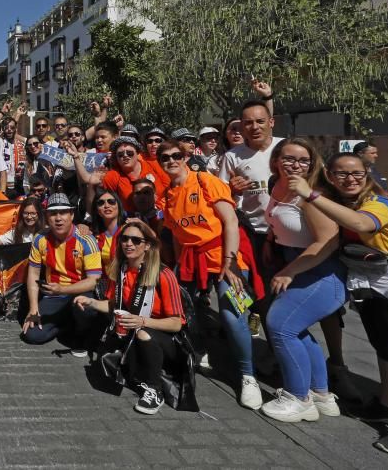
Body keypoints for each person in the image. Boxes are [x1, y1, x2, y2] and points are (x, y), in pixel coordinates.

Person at [288, 153, 388, 456]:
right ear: (330, 174)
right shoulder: (341, 201)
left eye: (356, 173)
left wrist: (310, 194)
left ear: (367, 173)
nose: (350, 179)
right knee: (384, 345)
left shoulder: (380, 202)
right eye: (341, 173)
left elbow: (360, 224)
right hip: (368, 279)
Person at [158, 140, 262, 410]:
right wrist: (181, 266)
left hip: (223, 253)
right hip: (192, 259)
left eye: (176, 155)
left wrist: (229, 262)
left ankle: (248, 376)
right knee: (186, 309)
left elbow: (230, 221)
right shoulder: (168, 194)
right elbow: (179, 236)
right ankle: (199, 350)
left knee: (231, 313)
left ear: (186, 156)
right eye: (165, 157)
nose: (171, 160)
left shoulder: (205, 180)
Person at [259, 139, 345, 423]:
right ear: (276, 161)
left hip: (321, 270)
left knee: (280, 326)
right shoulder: (278, 184)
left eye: (303, 161)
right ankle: (320, 394)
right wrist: (272, 238)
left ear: (312, 164)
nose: (296, 166)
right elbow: (278, 216)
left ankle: (299, 398)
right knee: (295, 329)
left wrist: (289, 271)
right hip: (295, 263)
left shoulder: (311, 195)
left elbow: (328, 242)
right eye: (289, 159)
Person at [76, 219, 187, 415]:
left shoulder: (163, 274)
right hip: (133, 331)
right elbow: (112, 305)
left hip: (166, 338)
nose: (129, 244)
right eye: (124, 239)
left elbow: (177, 323)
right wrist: (91, 302)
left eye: (136, 240)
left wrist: (142, 321)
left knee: (143, 333)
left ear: (148, 245)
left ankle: (155, 391)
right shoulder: (121, 270)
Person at [218, 100, 284, 330]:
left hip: (290, 235)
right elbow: (222, 199)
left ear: (271, 122)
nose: (254, 127)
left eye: (260, 121)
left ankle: (333, 359)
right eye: (248, 123)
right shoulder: (233, 157)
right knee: (264, 292)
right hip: (254, 234)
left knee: (291, 295)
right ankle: (265, 339)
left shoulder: (286, 148)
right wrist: (232, 191)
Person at [21, 193, 102, 355]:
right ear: (46, 217)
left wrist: (62, 290)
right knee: (31, 335)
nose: (58, 218)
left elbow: (94, 281)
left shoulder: (86, 240)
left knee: (85, 309)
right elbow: (33, 274)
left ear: (72, 215)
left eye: (63, 212)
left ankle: (80, 336)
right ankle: (66, 324)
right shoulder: (40, 239)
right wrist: (34, 308)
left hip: (80, 292)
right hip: (54, 296)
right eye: (53, 213)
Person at [100, 136, 168, 213]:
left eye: (129, 153)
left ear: (137, 153)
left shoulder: (154, 165)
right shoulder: (111, 177)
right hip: (132, 221)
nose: (125, 156)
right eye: (120, 154)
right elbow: (108, 205)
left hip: (162, 216)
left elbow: (169, 191)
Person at [90, 189, 125, 268]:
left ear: (118, 205)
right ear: (97, 210)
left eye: (111, 201)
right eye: (100, 203)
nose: (106, 206)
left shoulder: (129, 229)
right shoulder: (92, 234)